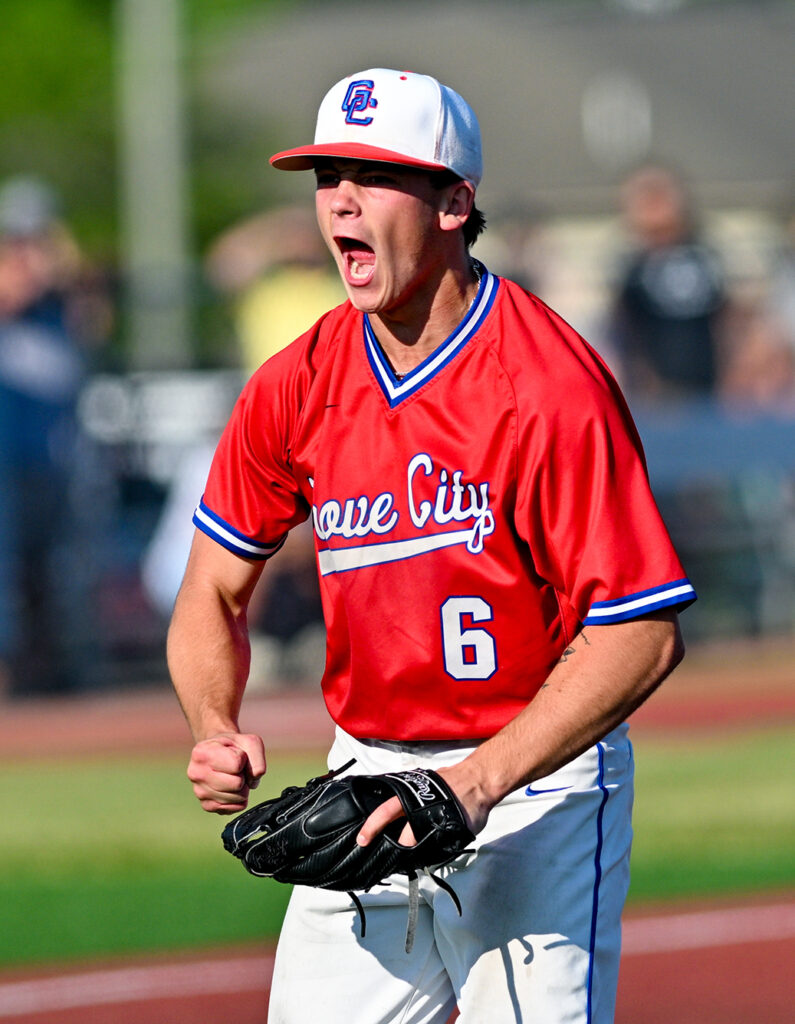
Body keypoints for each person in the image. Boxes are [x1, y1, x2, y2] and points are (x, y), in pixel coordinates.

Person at [167, 68, 696, 1023]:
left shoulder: (547, 386)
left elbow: (641, 633)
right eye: (328, 174)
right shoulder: (298, 381)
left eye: (373, 176)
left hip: (535, 788)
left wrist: (475, 784)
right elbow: (211, 591)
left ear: (455, 202)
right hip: (366, 778)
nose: (340, 200)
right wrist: (214, 722)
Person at [608, 162, 727, 402]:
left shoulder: (704, 257)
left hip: (709, 388)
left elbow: (725, 319)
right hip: (657, 394)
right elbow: (626, 329)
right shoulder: (633, 269)